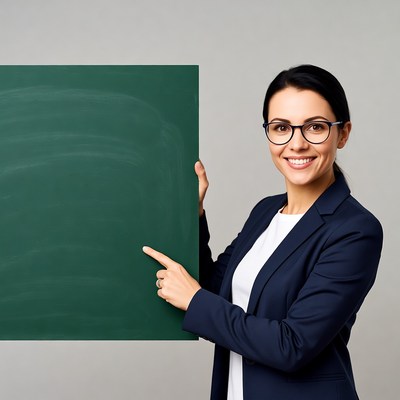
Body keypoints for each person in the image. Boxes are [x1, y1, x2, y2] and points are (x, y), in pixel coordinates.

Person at [142, 65, 383, 400]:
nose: (296, 144)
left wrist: (195, 300)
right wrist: (192, 214)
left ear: (343, 133)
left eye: (315, 127)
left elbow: (292, 344)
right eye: (281, 127)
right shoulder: (265, 211)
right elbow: (215, 291)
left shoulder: (355, 230)